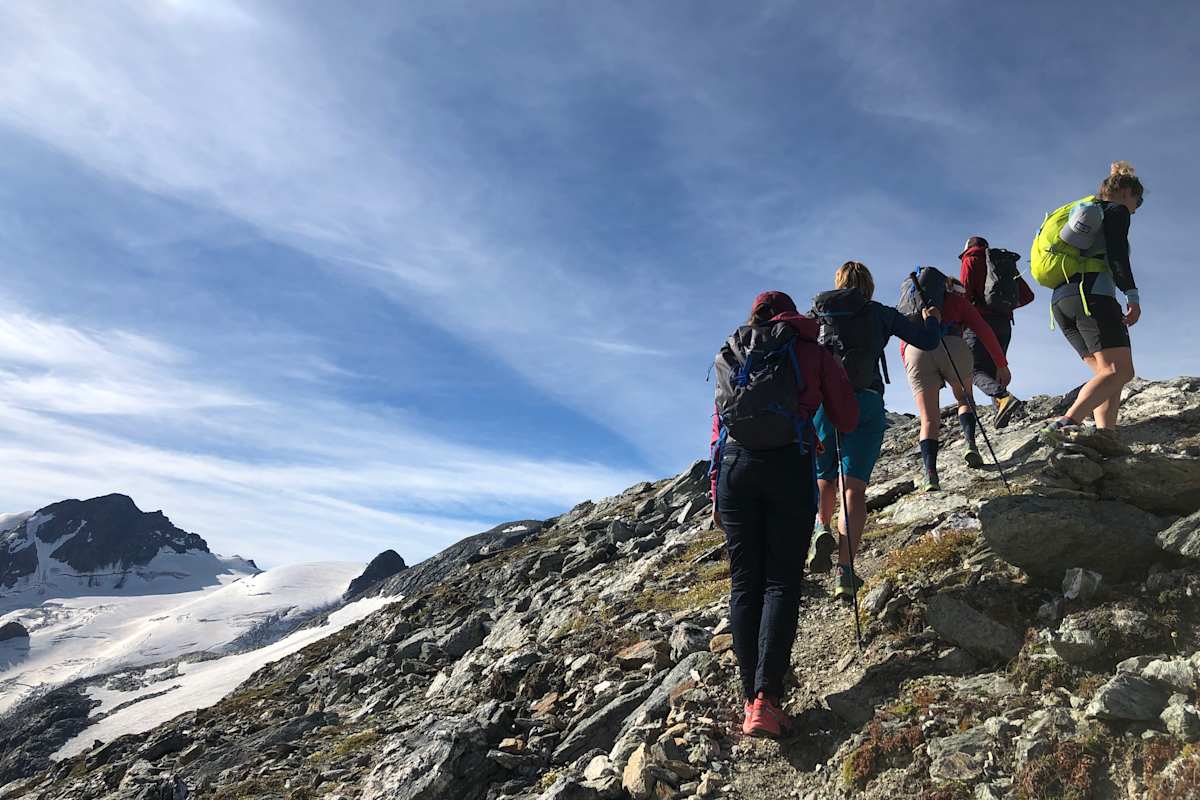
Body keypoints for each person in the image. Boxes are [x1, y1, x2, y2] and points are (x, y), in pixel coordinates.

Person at [709, 290, 858, 739]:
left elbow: (718, 427)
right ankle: (766, 700)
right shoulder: (811, 349)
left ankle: (748, 693)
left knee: (745, 581)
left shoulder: (733, 353)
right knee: (780, 581)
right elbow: (847, 419)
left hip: (734, 468)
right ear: (791, 314)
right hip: (788, 466)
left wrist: (716, 491)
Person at [807, 262, 943, 602]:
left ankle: (822, 529)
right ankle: (845, 571)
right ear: (868, 285)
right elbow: (926, 340)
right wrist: (931, 317)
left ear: (837, 283)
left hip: (825, 402)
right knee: (853, 489)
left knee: (824, 477)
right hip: (866, 401)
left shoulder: (818, 314)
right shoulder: (878, 312)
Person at [1036, 161, 1144, 444]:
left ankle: (1105, 435)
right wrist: (1132, 295)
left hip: (1063, 301)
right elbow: (1118, 255)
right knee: (1120, 370)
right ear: (1125, 192)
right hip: (1092, 295)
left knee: (1107, 374)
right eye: (1138, 199)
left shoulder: (1085, 213)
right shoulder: (1116, 211)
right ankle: (1065, 423)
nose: (1138, 206)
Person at [900, 268, 1011, 491]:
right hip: (953, 344)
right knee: (964, 398)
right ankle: (970, 444)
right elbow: (983, 330)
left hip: (916, 351)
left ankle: (930, 474)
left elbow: (903, 343)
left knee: (929, 418)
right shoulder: (956, 301)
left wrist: (910, 365)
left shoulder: (910, 307)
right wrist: (1001, 364)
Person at [959, 237, 1032, 428]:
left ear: (967, 248)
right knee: (995, 369)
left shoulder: (971, 259)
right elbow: (1028, 296)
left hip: (979, 322)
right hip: (1004, 324)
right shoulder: (1002, 263)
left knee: (973, 370)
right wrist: (1005, 307)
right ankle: (1001, 414)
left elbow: (965, 295)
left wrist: (963, 320)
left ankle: (1004, 398)